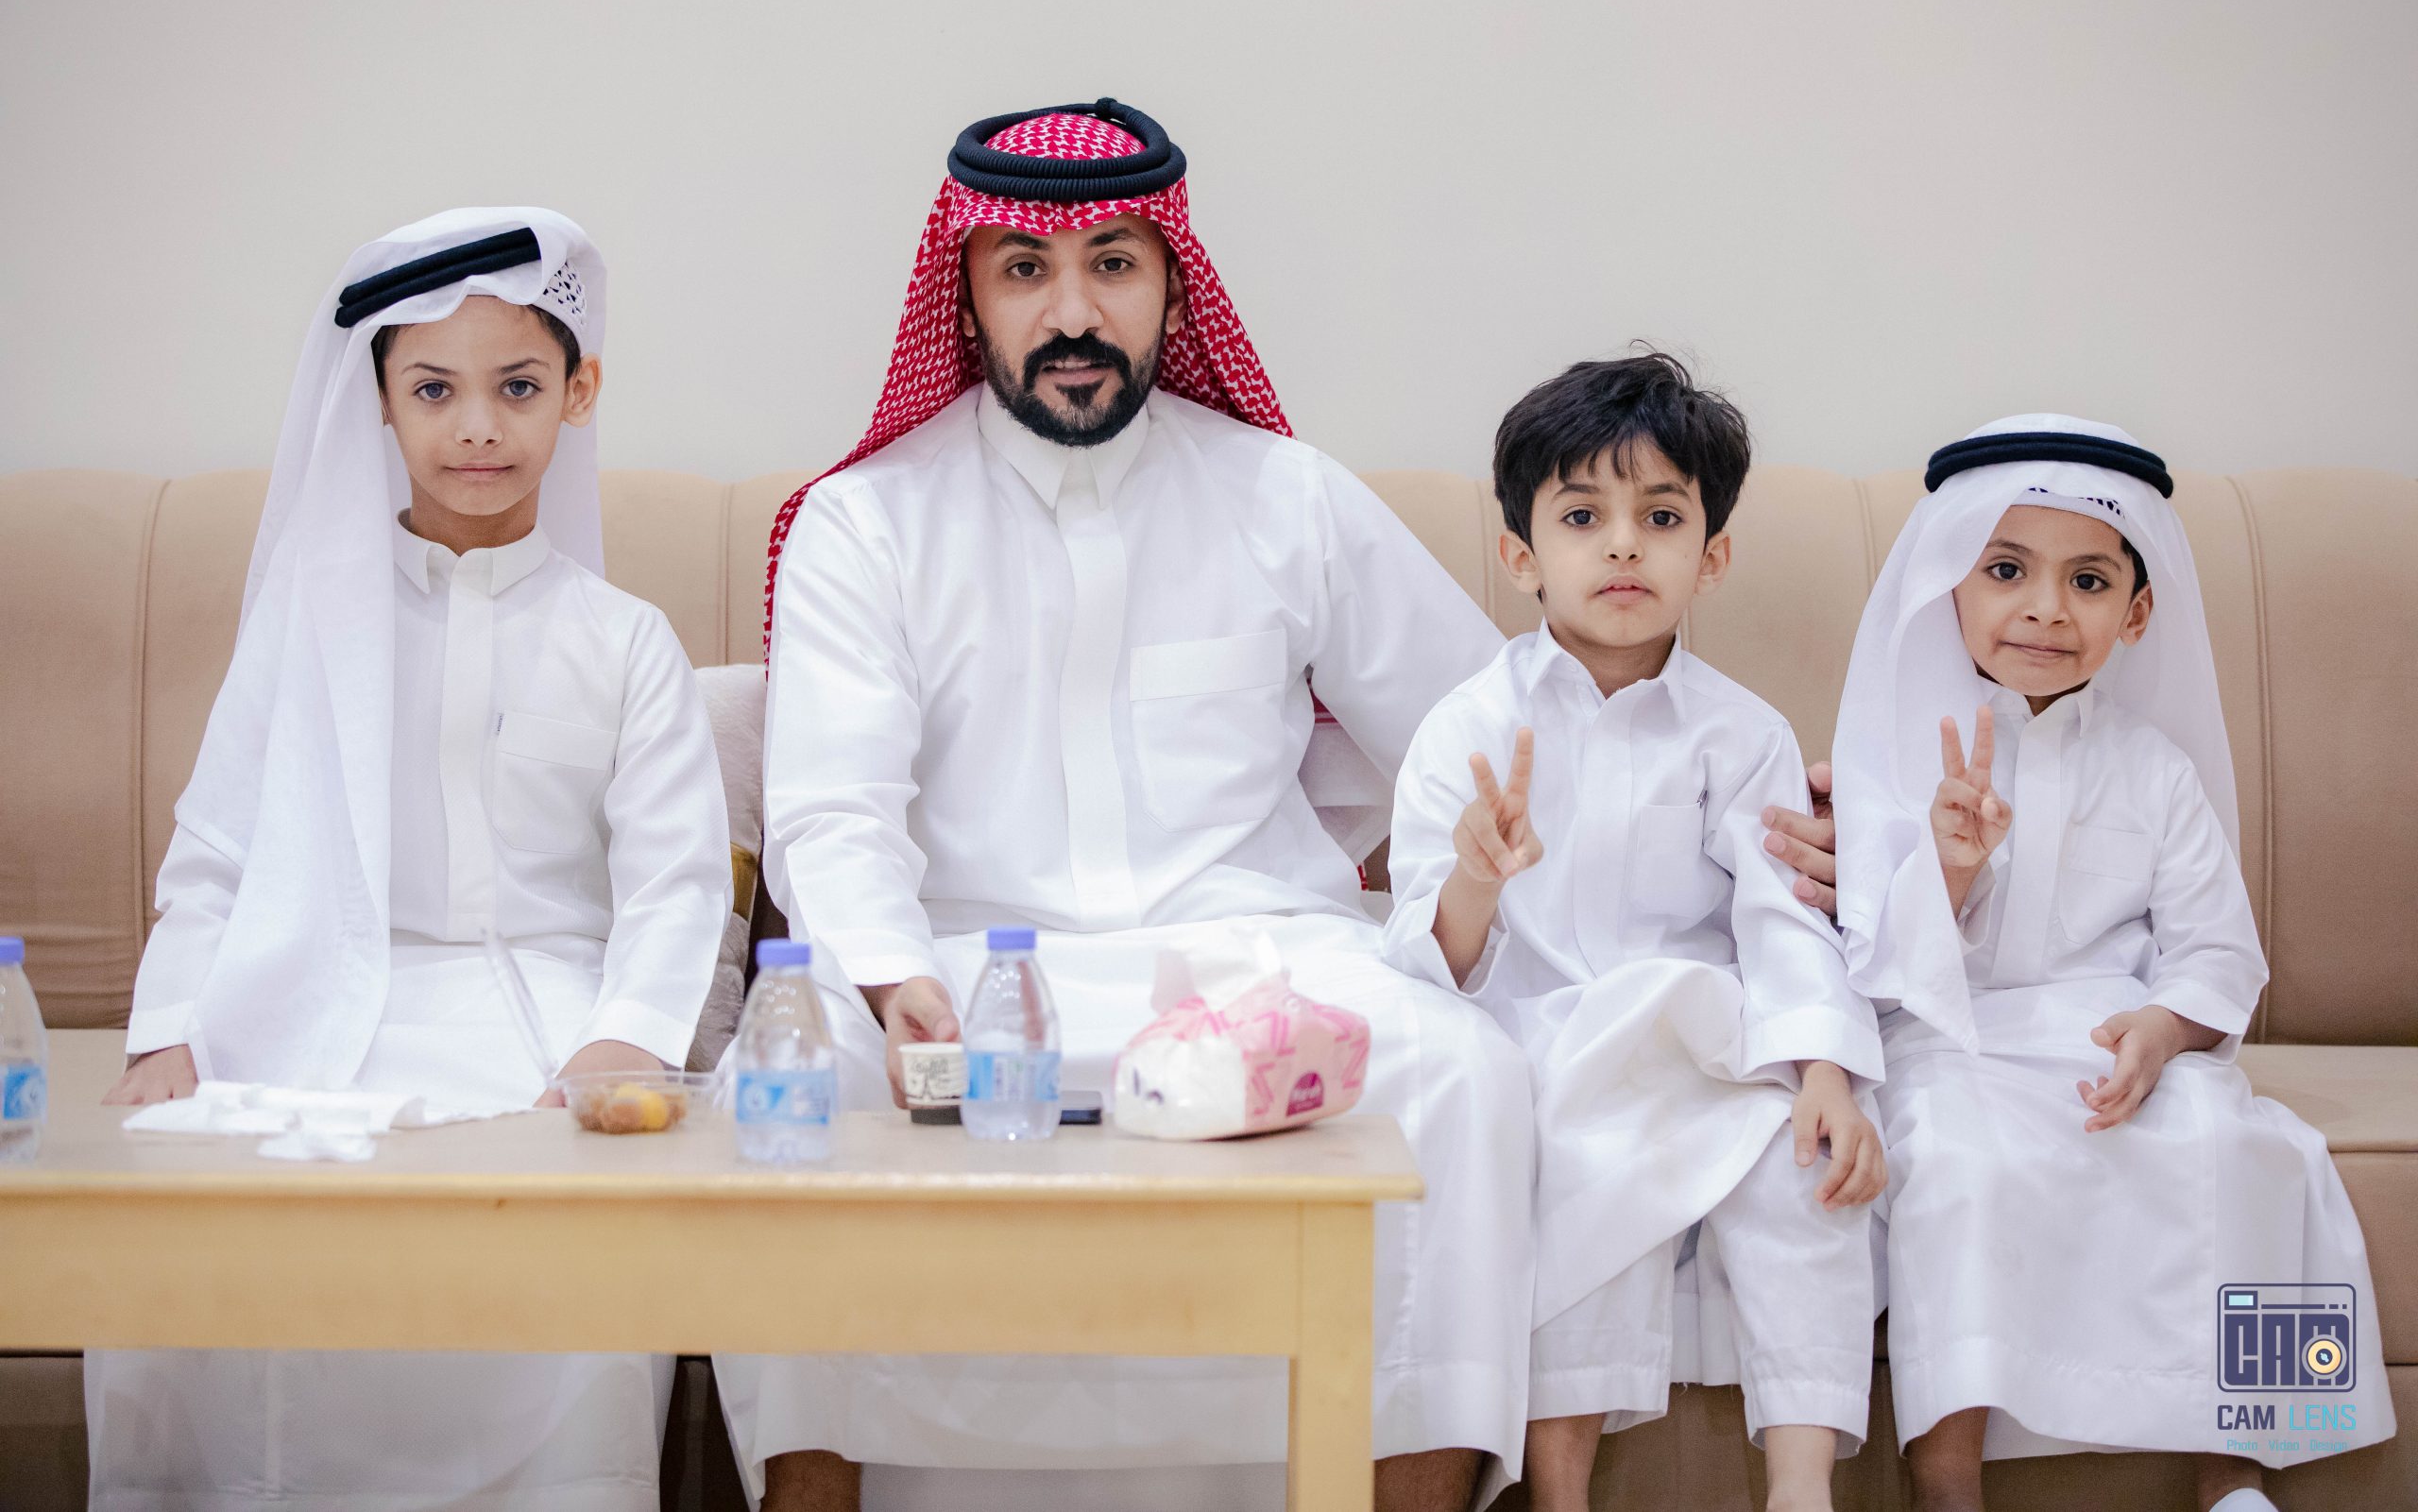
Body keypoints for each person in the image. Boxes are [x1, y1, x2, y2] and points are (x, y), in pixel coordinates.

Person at [722, 96, 1540, 1512]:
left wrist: (1746, 800)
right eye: (1025, 271)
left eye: (1113, 264)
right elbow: (832, 807)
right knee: (792, 1085)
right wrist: (892, 978)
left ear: (1172, 283)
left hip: (1257, 965)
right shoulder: (869, 522)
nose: (1073, 312)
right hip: (964, 968)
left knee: (1461, 1072)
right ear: (966, 297)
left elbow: (1482, 737)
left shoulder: (1285, 496)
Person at [87, 209, 731, 1511]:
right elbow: (218, 845)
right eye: (434, 389)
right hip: (309, 1009)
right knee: (192, 1253)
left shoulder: (624, 639)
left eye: (518, 387)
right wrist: (168, 1029)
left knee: (567, 1264)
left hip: (545, 1031)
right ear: (378, 400)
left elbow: (675, 884)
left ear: (579, 393)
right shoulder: (307, 622)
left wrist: (621, 1044)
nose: (477, 427)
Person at [1831, 416, 2396, 1512]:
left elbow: (2217, 949)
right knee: (1955, 1162)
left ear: (2134, 614)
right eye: (2006, 570)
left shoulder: (2156, 771)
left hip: (2113, 1040)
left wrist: (2165, 1029)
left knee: (2244, 1148)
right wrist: (1951, 865)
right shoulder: (1896, 751)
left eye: (2087, 580)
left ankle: (2236, 1473)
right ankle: (1945, 1477)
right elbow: (1876, 960)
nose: (2046, 608)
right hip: (1954, 1048)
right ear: (1951, 587)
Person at [1382, 353, 1884, 1512]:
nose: (1622, 546)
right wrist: (1476, 879)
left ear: (1710, 558)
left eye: (1660, 517)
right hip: (1538, 1047)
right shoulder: (1467, 727)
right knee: (1585, 1144)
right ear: (1520, 556)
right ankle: (1557, 1491)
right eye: (1581, 517)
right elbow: (1424, 957)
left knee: (1804, 1170)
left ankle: (1801, 1487)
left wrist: (1823, 1070)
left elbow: (1784, 921)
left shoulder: (1742, 735)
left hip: (1701, 1046)